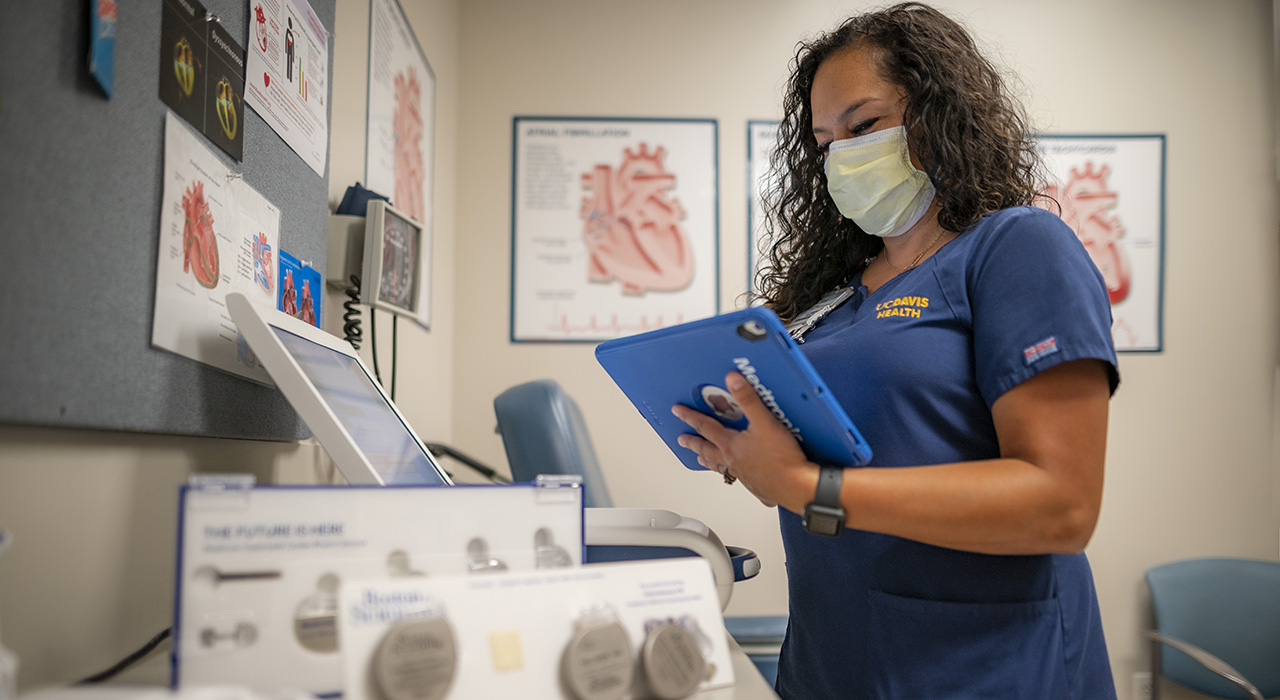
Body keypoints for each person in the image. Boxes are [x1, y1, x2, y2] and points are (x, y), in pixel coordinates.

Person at [671, 4, 1120, 698]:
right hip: (833, 660)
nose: (842, 155)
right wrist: (748, 447)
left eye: (864, 125)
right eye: (824, 142)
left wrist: (803, 487)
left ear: (939, 115)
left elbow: (1061, 503)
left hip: (982, 668)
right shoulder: (834, 297)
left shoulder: (1016, 248)